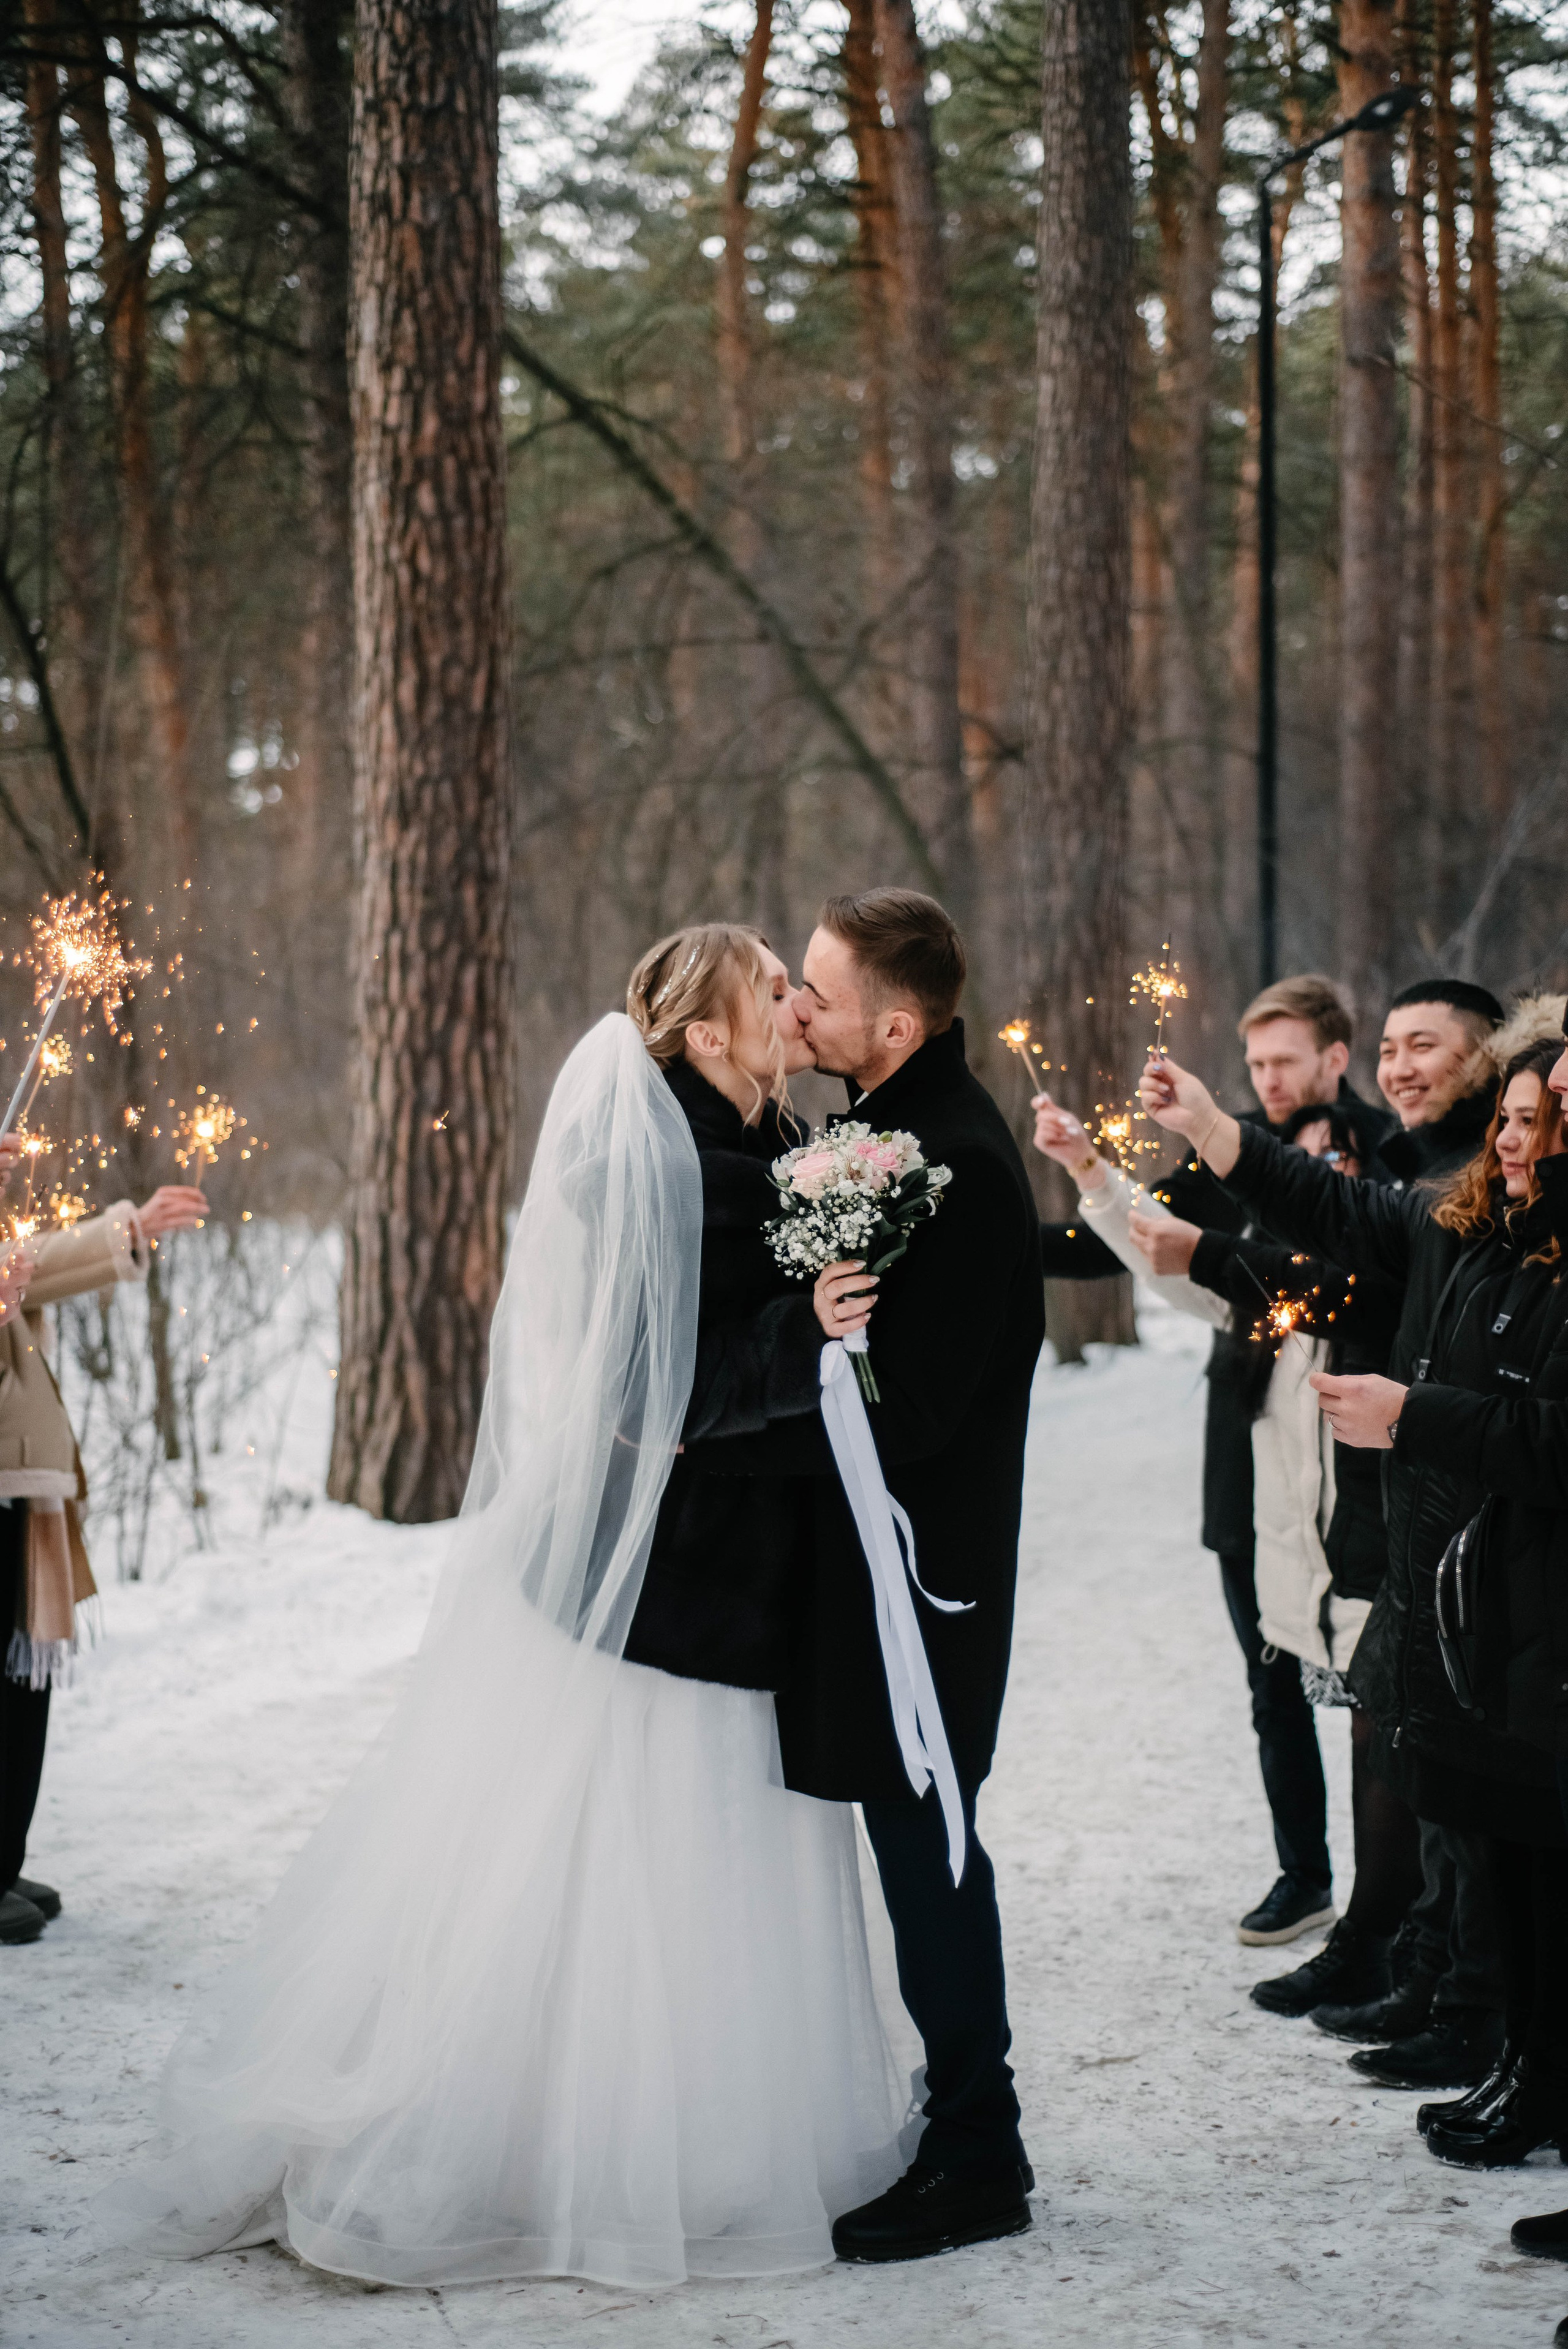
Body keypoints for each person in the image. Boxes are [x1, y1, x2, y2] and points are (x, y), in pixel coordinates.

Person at [99, 928, 908, 2286]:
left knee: (685, 1868)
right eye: (765, 987)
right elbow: (663, 1394)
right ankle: (568, 2150)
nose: (789, 1002)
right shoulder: (687, 1172)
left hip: (721, 1579)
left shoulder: (758, 1146)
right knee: (642, 1864)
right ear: (703, 1036)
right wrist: (806, 1330)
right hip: (674, 1593)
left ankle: (696, 2139)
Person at [1139, 1005, 1568, 2165]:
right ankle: (1516, 2059)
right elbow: (1340, 1218)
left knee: (1516, 1840)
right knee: (1489, 1826)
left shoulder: (1532, 1244)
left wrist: (1412, 1413)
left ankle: (1500, 2037)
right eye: (1518, 1120)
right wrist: (1216, 1134)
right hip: (1461, 1573)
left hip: (1523, 1586)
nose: (1523, 1141)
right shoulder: (1468, 1220)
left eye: (1545, 1120)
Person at [699, 887, 1047, 2263]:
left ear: (891, 1026)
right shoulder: (868, 1135)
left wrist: (744, 1407)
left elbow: (913, 1411)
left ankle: (981, 2146)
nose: (793, 1010)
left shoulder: (954, 1166)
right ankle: (957, 2113)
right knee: (913, 1848)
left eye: (817, 996)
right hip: (863, 1577)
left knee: (933, 1853)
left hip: (925, 1588)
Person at [1035, 974, 1390, 1950]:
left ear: (1335, 1057)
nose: (1269, 1081)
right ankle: (1303, 1876)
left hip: (1352, 1453)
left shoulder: (1375, 1153)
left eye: (1286, 1061)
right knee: (1268, 1678)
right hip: (1248, 1441)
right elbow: (1148, 1248)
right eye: (1257, 1063)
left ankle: (1388, 1903)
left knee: (1378, 1698)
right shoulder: (1228, 1146)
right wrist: (1075, 1183)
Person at [1129, 1099, 1419, 2023]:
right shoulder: (1269, 1309)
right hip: (1285, 1555)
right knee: (1285, 1708)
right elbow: (1173, 1269)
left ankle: (1390, 1937)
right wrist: (1096, 1182)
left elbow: (1231, 1267)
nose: (1318, 1181)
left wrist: (1205, 1244)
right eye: (1301, 1168)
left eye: (1336, 1166)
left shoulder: (1368, 1282)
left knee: (1388, 1738)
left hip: (1367, 1559)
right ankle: (1322, 1890)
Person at [1, 1154, 206, 1948]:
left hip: (24, 1473)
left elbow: (29, 1266)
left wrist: (130, 1227)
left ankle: (4, 1857)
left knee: (24, 1678)